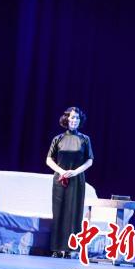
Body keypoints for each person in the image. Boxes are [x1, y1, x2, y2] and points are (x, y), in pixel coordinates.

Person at [45, 106, 94, 258]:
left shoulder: (85, 139)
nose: (75, 120)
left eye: (77, 118)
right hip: (60, 179)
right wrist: (61, 171)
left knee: (74, 213)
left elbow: (90, 160)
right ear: (67, 119)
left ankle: (70, 248)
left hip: (77, 179)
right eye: (72, 117)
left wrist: (76, 171)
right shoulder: (58, 139)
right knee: (59, 212)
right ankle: (56, 248)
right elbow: (49, 159)